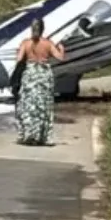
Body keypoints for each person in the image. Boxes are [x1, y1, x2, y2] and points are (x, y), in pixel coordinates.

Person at [13, 18, 65, 146]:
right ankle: (42, 136)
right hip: (43, 75)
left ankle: (27, 134)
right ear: (43, 29)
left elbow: (19, 59)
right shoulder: (48, 43)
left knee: (28, 104)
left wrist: (20, 53)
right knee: (43, 105)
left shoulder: (25, 43)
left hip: (30, 74)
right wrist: (61, 47)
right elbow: (60, 57)